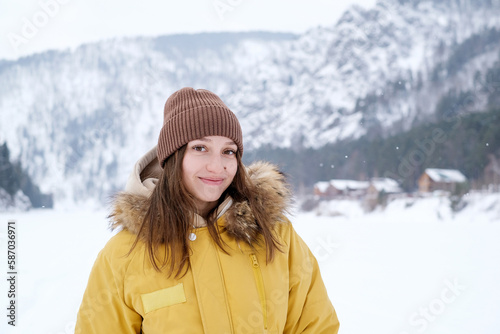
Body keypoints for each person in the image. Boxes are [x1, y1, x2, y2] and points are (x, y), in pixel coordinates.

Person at [75, 87, 339, 333]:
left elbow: (315, 326)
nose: (217, 166)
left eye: (228, 151)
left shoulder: (277, 236)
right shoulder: (124, 254)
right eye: (200, 148)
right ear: (173, 157)